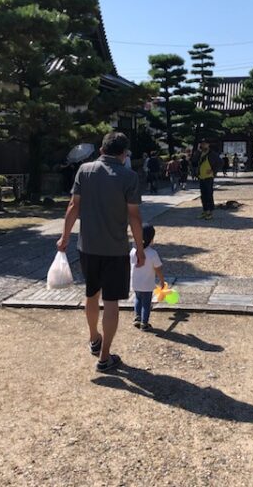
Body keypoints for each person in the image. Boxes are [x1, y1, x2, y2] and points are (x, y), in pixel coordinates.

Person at [56, 132, 145, 373]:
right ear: (123, 153)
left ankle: (94, 337)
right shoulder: (129, 176)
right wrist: (140, 248)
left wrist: (64, 237)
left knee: (91, 294)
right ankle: (105, 357)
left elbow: (74, 206)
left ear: (101, 150)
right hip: (115, 249)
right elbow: (134, 216)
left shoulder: (84, 171)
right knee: (111, 302)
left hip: (87, 246)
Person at [130, 224, 165, 331]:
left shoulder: (132, 251)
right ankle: (144, 323)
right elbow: (158, 268)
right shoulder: (152, 253)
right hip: (147, 284)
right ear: (151, 239)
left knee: (137, 299)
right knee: (146, 303)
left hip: (135, 282)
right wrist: (162, 280)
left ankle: (137, 317)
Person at [191, 139, 221, 220]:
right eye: (202, 144)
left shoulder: (212, 154)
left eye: (204, 144)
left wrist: (213, 170)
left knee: (209, 194)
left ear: (208, 145)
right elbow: (193, 161)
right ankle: (205, 210)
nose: (203, 145)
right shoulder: (200, 153)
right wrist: (197, 151)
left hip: (209, 177)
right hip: (201, 176)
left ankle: (210, 212)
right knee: (203, 195)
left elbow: (220, 162)